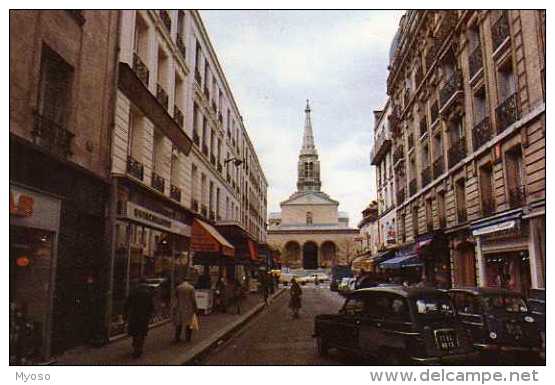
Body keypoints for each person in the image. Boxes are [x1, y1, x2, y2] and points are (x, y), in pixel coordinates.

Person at [124, 279, 154, 358]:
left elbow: (127, 303)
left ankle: (135, 346)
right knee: (142, 332)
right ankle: (139, 348)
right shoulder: (148, 293)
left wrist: (125, 314)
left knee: (135, 331)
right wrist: (151, 314)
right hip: (144, 316)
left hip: (134, 315)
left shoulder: (133, 291)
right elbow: (151, 305)